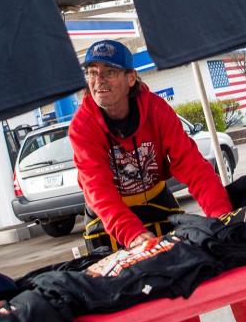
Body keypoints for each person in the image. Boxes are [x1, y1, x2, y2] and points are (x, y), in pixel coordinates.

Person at [69, 39, 232, 252]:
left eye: (109, 72)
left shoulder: (157, 110)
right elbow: (97, 188)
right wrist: (133, 234)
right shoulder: (82, 126)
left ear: (130, 78)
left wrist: (222, 217)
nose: (98, 80)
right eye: (92, 72)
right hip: (107, 216)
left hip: (156, 200)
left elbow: (192, 165)